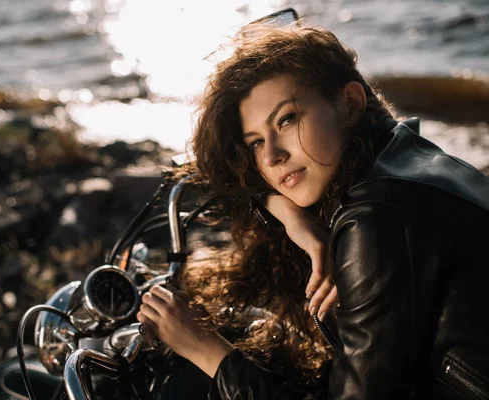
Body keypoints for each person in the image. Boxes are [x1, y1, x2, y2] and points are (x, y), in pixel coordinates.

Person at [136, 10, 489, 400]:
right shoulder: (405, 152)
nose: (270, 157)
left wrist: (209, 351)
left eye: (287, 120)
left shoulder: (376, 217)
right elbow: (223, 177)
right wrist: (287, 212)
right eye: (255, 141)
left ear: (351, 102)